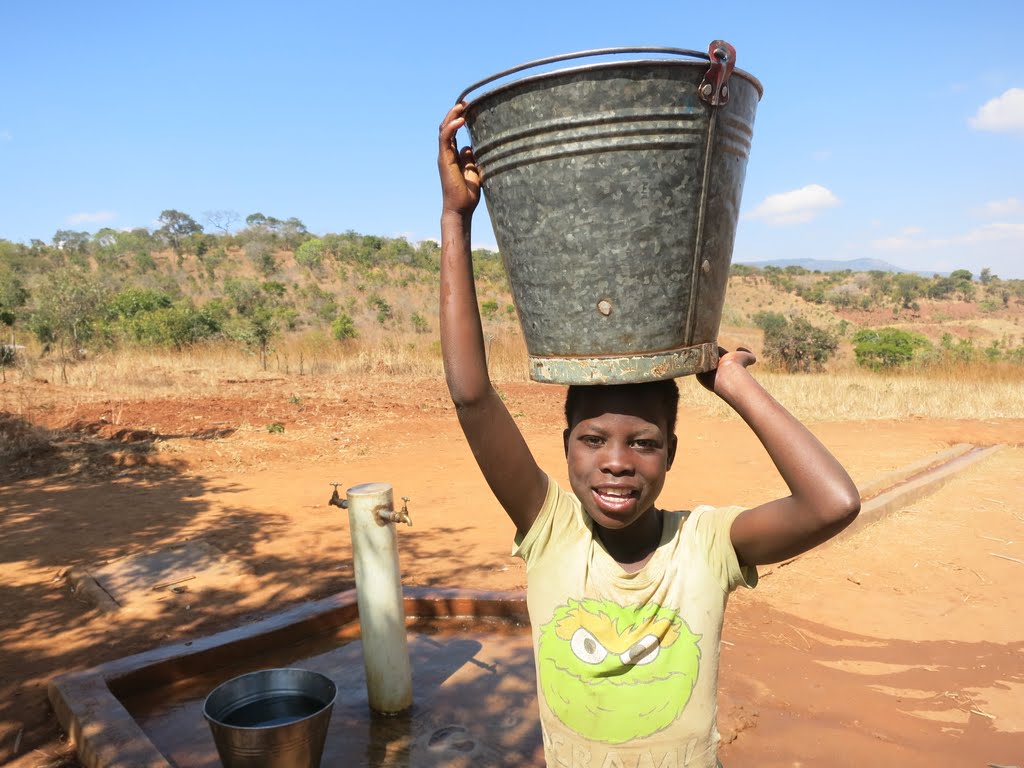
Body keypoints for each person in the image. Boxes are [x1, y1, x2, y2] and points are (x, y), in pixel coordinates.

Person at [438, 101, 861, 768]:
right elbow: (471, 394)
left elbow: (834, 504)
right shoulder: (549, 530)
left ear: (670, 454)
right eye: (593, 439)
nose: (615, 462)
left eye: (644, 442)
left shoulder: (708, 546)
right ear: (566, 444)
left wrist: (733, 383)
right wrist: (456, 218)